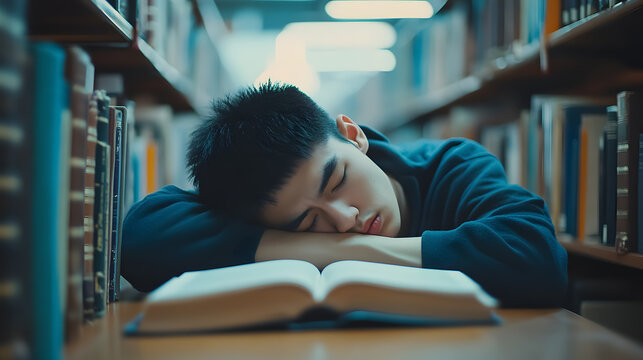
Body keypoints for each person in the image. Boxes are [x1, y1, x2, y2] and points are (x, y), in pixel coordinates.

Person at [121, 82, 567, 307]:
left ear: (352, 135)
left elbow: (537, 258)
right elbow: (141, 237)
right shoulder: (261, 204)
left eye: (335, 181)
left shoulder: (452, 165)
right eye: (306, 222)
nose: (344, 218)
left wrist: (342, 251)